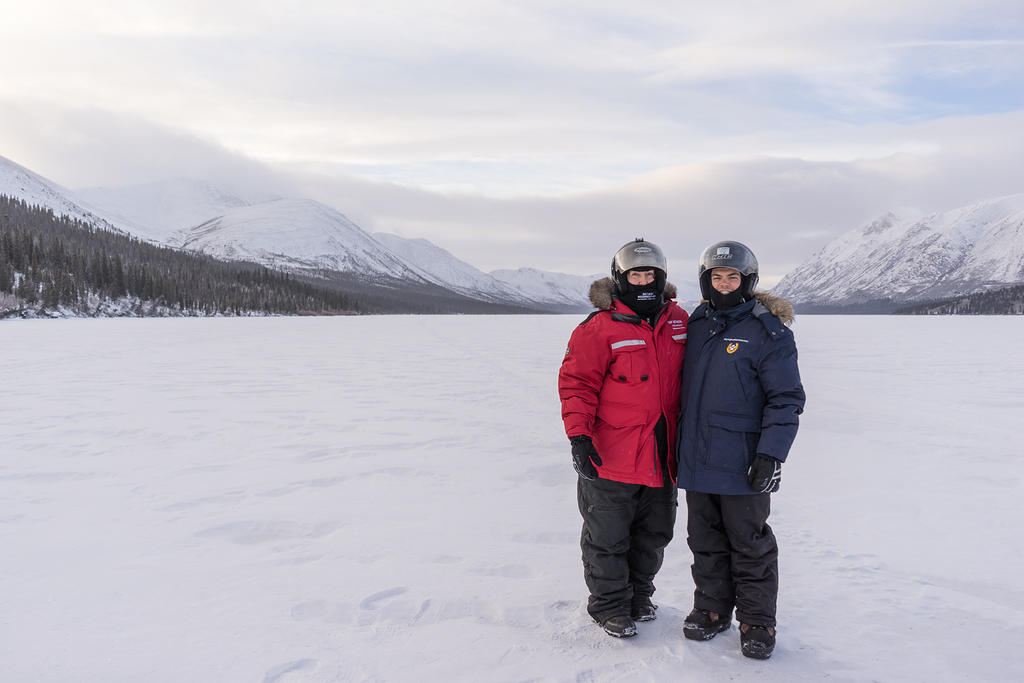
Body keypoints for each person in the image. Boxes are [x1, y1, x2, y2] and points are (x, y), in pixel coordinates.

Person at [675, 240, 805, 659]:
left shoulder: (768, 332)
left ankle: (757, 621)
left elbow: (785, 398)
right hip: (697, 456)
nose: (725, 283)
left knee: (750, 543)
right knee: (704, 539)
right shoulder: (696, 324)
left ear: (747, 281)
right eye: (717, 276)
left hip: (742, 461)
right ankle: (712, 610)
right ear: (705, 280)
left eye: (733, 277)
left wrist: (772, 454)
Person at [557, 238, 689, 638]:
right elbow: (577, 385)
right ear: (621, 278)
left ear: (662, 277)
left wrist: (764, 309)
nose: (644, 280)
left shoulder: (680, 321)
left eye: (651, 273)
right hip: (610, 455)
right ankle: (610, 605)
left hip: (663, 455)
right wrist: (579, 437)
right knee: (607, 538)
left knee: (653, 534)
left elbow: (724, 327)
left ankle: (638, 597)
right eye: (636, 274)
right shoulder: (598, 328)